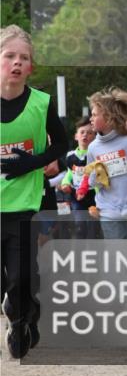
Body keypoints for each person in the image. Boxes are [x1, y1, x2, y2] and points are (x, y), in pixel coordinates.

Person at [0, 24, 69, 358]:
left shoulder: (41, 103)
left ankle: (20, 319)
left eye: (23, 58)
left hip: (25, 204)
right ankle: (20, 315)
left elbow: (64, 144)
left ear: (30, 67)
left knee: (22, 278)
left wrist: (32, 163)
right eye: (9, 55)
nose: (16, 62)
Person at [81, 88, 127, 239]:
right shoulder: (93, 148)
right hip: (108, 210)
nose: (90, 119)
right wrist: (97, 175)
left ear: (108, 117)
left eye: (94, 115)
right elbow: (91, 181)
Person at [57, 117, 98, 239]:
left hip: (93, 194)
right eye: (82, 132)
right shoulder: (70, 156)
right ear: (76, 136)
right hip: (77, 196)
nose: (85, 135)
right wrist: (65, 183)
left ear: (94, 137)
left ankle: (93, 253)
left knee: (93, 228)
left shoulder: (96, 154)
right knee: (79, 226)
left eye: (90, 133)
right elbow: (70, 173)